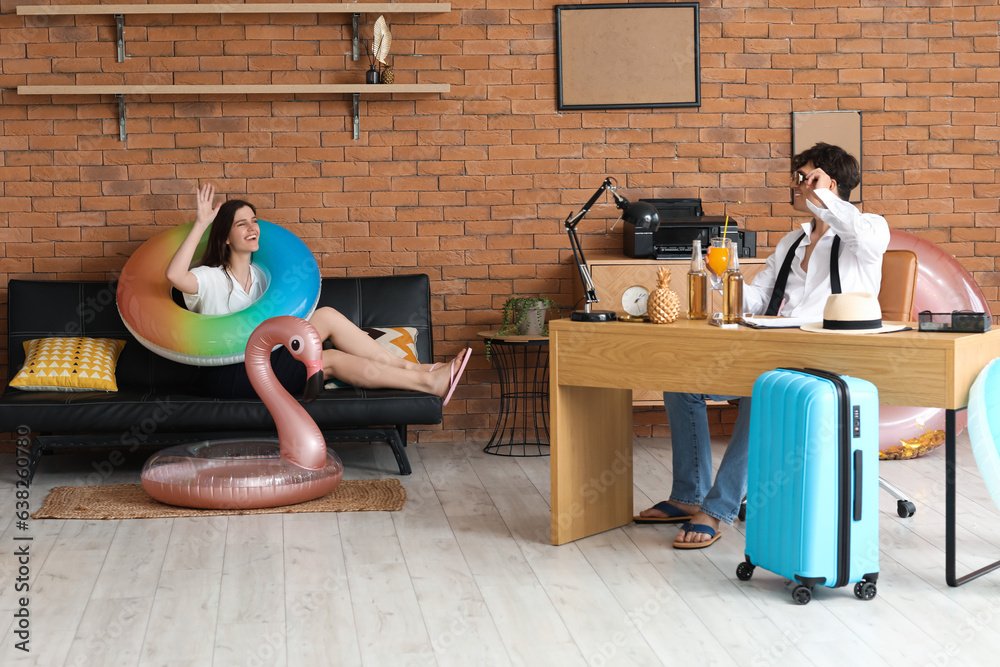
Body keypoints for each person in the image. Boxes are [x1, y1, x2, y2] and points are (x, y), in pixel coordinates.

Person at [636, 142, 890, 548]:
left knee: (764, 391)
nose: (800, 186)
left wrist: (824, 196)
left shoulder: (868, 230)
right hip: (773, 350)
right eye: (799, 178)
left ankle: (717, 509)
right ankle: (689, 495)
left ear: (833, 181)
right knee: (683, 383)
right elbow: (757, 299)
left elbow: (860, 233)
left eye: (808, 177)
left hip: (830, 361)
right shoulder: (792, 242)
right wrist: (726, 278)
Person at [166, 183, 470, 401]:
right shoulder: (210, 278)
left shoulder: (264, 278)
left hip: (267, 359)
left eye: (254, 221)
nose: (252, 228)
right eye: (241, 224)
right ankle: (429, 382)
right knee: (330, 360)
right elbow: (174, 276)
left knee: (325, 316)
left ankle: (422, 370)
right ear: (226, 237)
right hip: (229, 373)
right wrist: (201, 223)